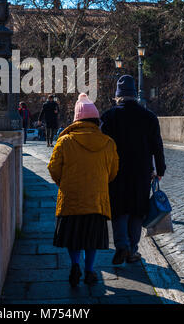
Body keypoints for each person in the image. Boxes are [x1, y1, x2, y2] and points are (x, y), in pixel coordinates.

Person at [47, 93, 119, 287]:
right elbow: (113, 172)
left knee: (73, 237)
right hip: (97, 201)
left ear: (76, 119)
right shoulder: (108, 143)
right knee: (91, 238)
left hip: (71, 199)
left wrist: (64, 183)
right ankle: (89, 270)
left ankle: (75, 265)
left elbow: (53, 168)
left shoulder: (65, 141)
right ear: (96, 120)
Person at [101, 75, 166, 265]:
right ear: (134, 95)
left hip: (116, 171)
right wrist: (160, 169)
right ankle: (132, 250)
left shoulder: (108, 117)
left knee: (119, 209)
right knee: (137, 211)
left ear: (117, 96)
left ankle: (122, 245)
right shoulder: (149, 117)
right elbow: (157, 146)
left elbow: (102, 147)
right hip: (141, 172)